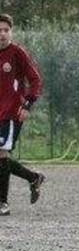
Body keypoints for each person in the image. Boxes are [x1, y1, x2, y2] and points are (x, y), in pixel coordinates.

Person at [0, 14, 45, 216]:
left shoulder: (17, 52)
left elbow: (35, 80)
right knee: (1, 157)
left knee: (2, 154)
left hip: (10, 113)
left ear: (11, 32)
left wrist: (28, 103)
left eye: (6, 30)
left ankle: (3, 203)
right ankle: (33, 177)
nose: (2, 34)